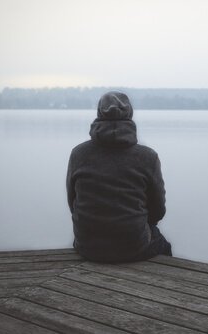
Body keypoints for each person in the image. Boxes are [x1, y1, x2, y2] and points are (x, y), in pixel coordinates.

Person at [66, 91, 172, 262]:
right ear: (129, 114)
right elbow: (158, 209)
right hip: (134, 246)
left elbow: (73, 202)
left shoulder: (78, 154)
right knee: (164, 246)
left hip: (87, 245)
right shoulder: (148, 157)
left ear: (99, 114)